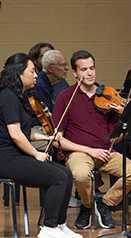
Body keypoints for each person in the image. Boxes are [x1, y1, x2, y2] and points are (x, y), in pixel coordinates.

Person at [51, 50, 131, 229]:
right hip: (79, 152)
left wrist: (119, 134)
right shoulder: (66, 97)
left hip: (106, 151)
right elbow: (57, 139)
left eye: (92, 68)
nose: (89, 73)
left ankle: (104, 204)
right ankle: (86, 206)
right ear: (75, 73)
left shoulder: (109, 96)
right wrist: (89, 150)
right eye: (84, 69)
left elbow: (115, 138)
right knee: (80, 174)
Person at [0, 53, 81, 238]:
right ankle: (48, 229)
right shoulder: (8, 97)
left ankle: (60, 225)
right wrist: (36, 154)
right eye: (31, 71)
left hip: (15, 155)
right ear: (18, 73)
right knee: (58, 178)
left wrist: (47, 138)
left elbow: (24, 132)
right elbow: (15, 135)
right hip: (6, 159)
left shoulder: (17, 96)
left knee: (66, 174)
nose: (36, 75)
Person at [29, 50, 70, 151]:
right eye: (63, 65)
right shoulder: (39, 85)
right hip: (35, 129)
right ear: (50, 68)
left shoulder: (48, 83)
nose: (67, 68)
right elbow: (46, 117)